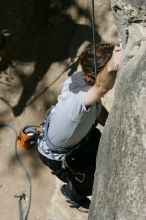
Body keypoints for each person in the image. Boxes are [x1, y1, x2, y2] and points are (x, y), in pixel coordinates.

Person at [37, 42, 122, 213]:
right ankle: (72, 195)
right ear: (99, 75)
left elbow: (96, 104)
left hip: (83, 137)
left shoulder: (80, 78)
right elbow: (101, 87)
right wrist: (113, 65)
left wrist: (112, 122)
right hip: (61, 157)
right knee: (88, 183)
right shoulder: (79, 99)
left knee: (102, 151)